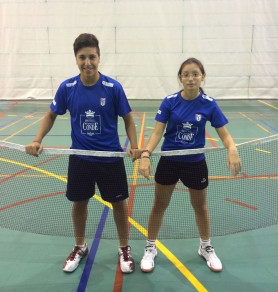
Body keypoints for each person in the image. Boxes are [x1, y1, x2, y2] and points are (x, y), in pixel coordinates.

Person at [25, 33, 141, 273]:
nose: (87, 62)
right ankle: (80, 246)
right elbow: (50, 115)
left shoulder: (112, 87)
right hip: (80, 157)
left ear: (99, 57)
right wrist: (37, 139)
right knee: (79, 203)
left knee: (119, 204)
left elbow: (129, 119)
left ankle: (124, 247)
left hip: (110, 158)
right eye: (82, 57)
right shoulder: (67, 88)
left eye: (92, 57)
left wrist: (134, 145)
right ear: (75, 59)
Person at [138, 57, 241, 273]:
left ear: (202, 76)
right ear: (180, 78)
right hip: (169, 161)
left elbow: (224, 134)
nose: (191, 78)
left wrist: (232, 148)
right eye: (186, 74)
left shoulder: (209, 104)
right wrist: (146, 153)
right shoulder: (170, 101)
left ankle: (205, 246)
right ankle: (150, 247)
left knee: (200, 207)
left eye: (195, 74)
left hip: (195, 163)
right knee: (159, 205)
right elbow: (157, 132)